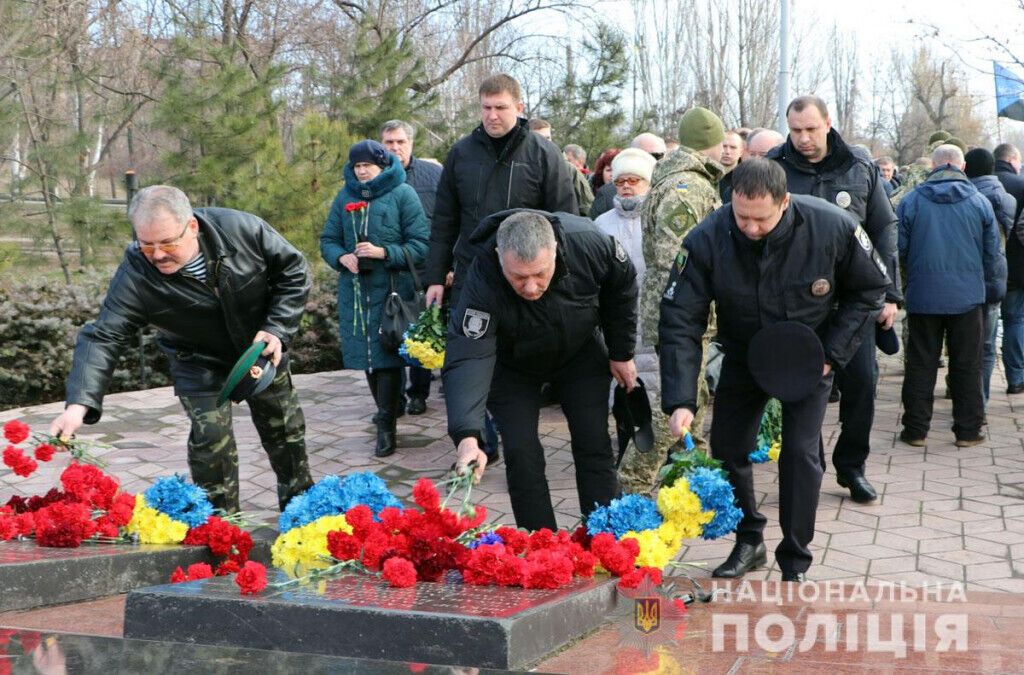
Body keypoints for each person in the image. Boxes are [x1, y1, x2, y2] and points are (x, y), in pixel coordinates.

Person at [659, 159, 890, 581]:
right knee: (728, 446)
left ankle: (795, 557)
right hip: (746, 353)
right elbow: (679, 318)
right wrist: (680, 400)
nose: (749, 227)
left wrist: (830, 355)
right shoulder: (708, 237)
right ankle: (749, 540)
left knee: (800, 454)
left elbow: (872, 288)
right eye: (741, 216)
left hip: (809, 355)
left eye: (760, 219)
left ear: (784, 203)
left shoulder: (831, 226)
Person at [51, 185, 314, 513]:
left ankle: (304, 515)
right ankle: (222, 528)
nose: (158, 254)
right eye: (146, 245)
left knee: (285, 433)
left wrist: (277, 328)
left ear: (192, 227)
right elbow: (104, 335)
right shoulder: (136, 272)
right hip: (197, 360)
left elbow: (294, 272)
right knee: (211, 442)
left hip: (259, 350)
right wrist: (79, 404)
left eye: (167, 243)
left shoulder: (242, 230)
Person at [445, 210, 638, 531]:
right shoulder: (482, 273)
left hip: (580, 352)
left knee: (594, 443)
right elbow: (469, 354)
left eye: (540, 274)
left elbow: (622, 286)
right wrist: (467, 436)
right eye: (519, 277)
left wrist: (621, 352)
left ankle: (605, 536)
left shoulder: (587, 243)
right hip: (514, 366)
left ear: (555, 251)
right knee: (522, 454)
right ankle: (541, 545)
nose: (531, 287)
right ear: (499, 257)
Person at [425, 73, 576, 462]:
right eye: (486, 108)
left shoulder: (543, 155)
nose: (492, 116)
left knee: (515, 358)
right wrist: (434, 277)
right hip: (473, 274)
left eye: (501, 108)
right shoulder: (461, 154)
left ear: (519, 108)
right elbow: (443, 220)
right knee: (472, 355)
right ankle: (479, 440)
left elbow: (566, 219)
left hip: (526, 276)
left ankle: (520, 433)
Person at [768, 95, 902, 504]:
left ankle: (852, 467)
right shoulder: (775, 167)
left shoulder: (858, 166)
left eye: (811, 129)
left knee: (861, 384)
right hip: (794, 302)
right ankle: (810, 466)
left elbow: (883, 229)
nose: (804, 139)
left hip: (853, 300)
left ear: (828, 123)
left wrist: (890, 293)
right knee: (800, 389)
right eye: (796, 130)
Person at [618, 107, 722, 495]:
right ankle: (631, 485)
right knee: (674, 408)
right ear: (712, 143)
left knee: (693, 399)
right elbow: (675, 259)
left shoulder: (683, 180)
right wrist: (687, 315)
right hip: (683, 315)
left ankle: (693, 480)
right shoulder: (687, 187)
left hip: (686, 314)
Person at [320, 140, 429, 458]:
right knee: (368, 358)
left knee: (386, 357)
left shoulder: (403, 194)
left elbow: (421, 244)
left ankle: (386, 425)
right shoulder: (345, 196)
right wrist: (341, 257)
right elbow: (328, 239)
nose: (362, 170)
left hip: (393, 292)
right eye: (357, 166)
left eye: (368, 165)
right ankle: (388, 409)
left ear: (382, 166)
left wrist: (384, 253)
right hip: (356, 294)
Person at [897, 145, 1006, 447]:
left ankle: (916, 430)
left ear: (933, 166)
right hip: (968, 298)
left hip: (923, 296)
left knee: (921, 364)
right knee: (966, 364)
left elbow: (900, 250)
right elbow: (992, 255)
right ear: (962, 167)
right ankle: (968, 431)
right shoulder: (979, 202)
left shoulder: (911, 201)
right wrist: (990, 290)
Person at [381, 119, 443, 416]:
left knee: (420, 334)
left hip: (424, 269)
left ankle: (418, 393)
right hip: (386, 271)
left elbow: (448, 222)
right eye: (389, 143)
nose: (395, 148)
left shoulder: (434, 176)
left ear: (411, 144)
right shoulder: (372, 178)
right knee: (389, 333)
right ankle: (392, 400)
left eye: (400, 142)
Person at [965, 147, 1016, 403]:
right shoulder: (1004, 198)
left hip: (963, 278)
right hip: (993, 276)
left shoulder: (963, 196)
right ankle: (980, 402)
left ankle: (965, 398)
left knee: (964, 345)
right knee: (986, 345)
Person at [594, 148, 656, 292]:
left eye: (633, 180)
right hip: (617, 305)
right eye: (620, 181)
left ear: (648, 183)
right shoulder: (601, 223)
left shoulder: (658, 218)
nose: (626, 185)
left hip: (652, 304)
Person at [591, 133, 667, 220]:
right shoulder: (607, 194)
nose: (650, 161)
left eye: (657, 156)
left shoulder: (678, 188)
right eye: (642, 156)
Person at [995, 143, 1024, 223]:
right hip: (1015, 234)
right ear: (1012, 159)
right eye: (1019, 160)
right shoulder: (1021, 183)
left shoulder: (982, 180)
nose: (1020, 166)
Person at [718, 130, 745, 202]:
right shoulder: (706, 175)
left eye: (733, 147)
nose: (727, 152)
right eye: (724, 146)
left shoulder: (746, 178)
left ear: (741, 152)